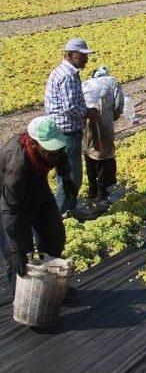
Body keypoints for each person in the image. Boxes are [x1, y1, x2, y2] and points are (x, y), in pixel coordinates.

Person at [0, 117, 73, 293]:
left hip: (37, 187)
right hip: (9, 200)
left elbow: (61, 157)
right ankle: (24, 296)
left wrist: (66, 178)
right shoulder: (17, 165)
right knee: (21, 255)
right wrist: (16, 250)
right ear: (34, 144)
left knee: (54, 235)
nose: (54, 155)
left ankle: (49, 286)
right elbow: (10, 211)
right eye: (50, 151)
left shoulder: (54, 149)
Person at [45, 38, 100, 214]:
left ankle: (68, 209)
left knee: (67, 175)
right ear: (69, 55)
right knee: (71, 177)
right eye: (82, 55)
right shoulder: (67, 76)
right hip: (66, 132)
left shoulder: (62, 72)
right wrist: (89, 112)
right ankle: (60, 215)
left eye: (86, 55)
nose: (86, 59)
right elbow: (70, 107)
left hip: (61, 130)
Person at [82, 66, 125, 203]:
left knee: (89, 153)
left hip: (86, 121)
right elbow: (119, 104)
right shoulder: (112, 81)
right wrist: (114, 116)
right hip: (104, 120)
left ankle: (92, 191)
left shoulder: (85, 84)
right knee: (104, 154)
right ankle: (103, 192)